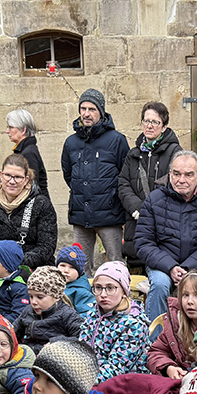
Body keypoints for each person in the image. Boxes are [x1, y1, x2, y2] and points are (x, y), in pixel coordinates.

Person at [134, 150, 197, 321]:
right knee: (160, 285)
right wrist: (170, 267)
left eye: (188, 175)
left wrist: (187, 269)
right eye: (176, 174)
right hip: (162, 264)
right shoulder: (154, 200)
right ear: (170, 174)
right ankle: (156, 341)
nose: (181, 180)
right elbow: (143, 242)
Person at [62, 88, 130, 272]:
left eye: (92, 109)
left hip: (109, 214)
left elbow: (125, 175)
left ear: (101, 111)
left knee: (115, 264)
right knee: (80, 267)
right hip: (80, 214)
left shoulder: (117, 140)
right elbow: (69, 175)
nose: (86, 113)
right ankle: (84, 300)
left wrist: (109, 197)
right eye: (83, 108)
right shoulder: (71, 143)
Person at [0, 153, 57, 272]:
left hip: (30, 268)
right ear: (0, 175)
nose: (12, 181)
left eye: (18, 177)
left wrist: (13, 263)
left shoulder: (41, 205)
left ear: (26, 180)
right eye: (8, 175)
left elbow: (46, 247)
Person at [117, 100, 181, 261]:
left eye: (155, 122)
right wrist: (138, 208)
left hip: (165, 223)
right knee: (137, 273)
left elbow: (177, 183)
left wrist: (153, 209)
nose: (149, 126)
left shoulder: (176, 152)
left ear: (164, 127)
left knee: (163, 268)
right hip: (136, 220)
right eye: (146, 121)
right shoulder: (133, 154)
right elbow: (123, 184)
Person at [78, 260, 151, 381]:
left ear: (123, 291)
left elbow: (116, 369)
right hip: (89, 375)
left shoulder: (134, 325)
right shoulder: (93, 314)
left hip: (125, 384)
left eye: (110, 288)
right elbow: (80, 350)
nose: (103, 294)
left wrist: (80, 381)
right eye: (98, 288)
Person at [14, 266, 83, 351]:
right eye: (31, 296)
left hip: (54, 356)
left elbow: (82, 338)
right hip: (28, 354)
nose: (34, 302)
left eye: (40, 297)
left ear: (56, 296)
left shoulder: (67, 314)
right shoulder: (28, 311)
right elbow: (13, 333)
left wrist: (56, 343)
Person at [5, 109, 48, 197]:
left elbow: (31, 188)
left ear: (23, 130)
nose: (7, 131)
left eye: (11, 127)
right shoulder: (24, 150)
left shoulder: (28, 153)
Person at [57, 243, 94, 315]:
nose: (66, 270)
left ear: (79, 273)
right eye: (62, 265)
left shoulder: (82, 292)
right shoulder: (50, 284)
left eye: (72, 267)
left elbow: (88, 315)